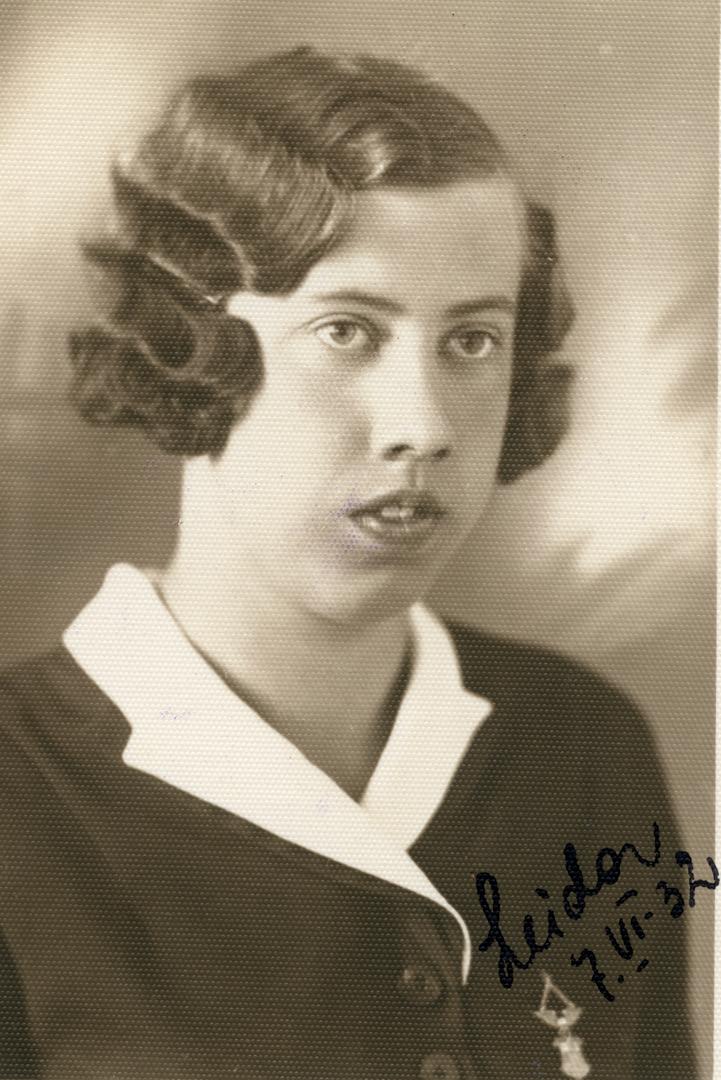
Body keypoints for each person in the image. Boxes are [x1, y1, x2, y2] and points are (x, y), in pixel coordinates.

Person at [0, 46, 696, 1080]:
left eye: (472, 341)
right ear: (187, 343)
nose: (424, 426)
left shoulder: (583, 744)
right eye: (346, 331)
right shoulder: (21, 789)